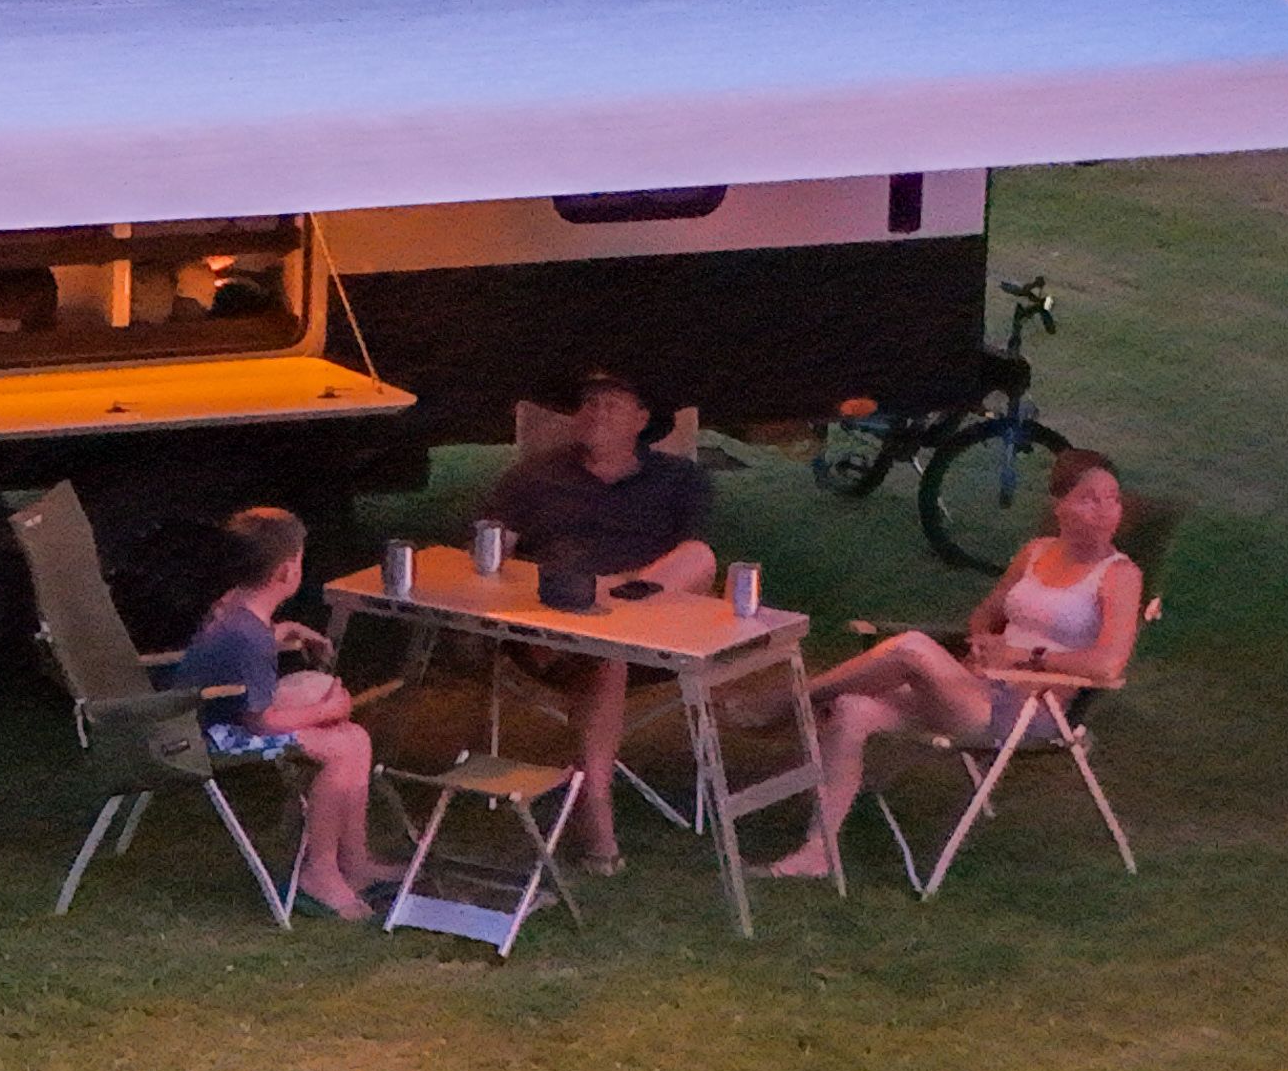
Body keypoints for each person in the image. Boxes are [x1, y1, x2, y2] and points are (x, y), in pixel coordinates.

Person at [764, 449, 1144, 876]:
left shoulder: (1119, 575)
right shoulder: (1036, 552)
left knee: (910, 647)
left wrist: (1024, 656)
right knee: (853, 710)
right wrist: (985, 643)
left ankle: (792, 699)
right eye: (1089, 498)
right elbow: (985, 615)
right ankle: (818, 852)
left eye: (1113, 499)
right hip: (975, 689)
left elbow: (1108, 665)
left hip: (1028, 712)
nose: (1105, 510)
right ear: (1059, 505)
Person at [482, 370, 728, 832]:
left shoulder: (681, 480)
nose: (595, 413)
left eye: (611, 405)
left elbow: (699, 572)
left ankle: (604, 620)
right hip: (553, 631)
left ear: (641, 419)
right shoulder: (534, 477)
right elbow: (492, 559)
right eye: (589, 404)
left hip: (651, 635)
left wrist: (605, 592)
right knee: (605, 657)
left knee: (697, 557)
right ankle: (596, 806)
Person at [176, 510, 380, 919]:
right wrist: (324, 711)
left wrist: (282, 630)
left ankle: (355, 863)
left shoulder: (238, 609)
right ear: (288, 572)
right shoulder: (247, 637)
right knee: (343, 745)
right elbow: (260, 721)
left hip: (211, 708)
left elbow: (240, 672)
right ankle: (319, 873)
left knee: (350, 732)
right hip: (210, 730)